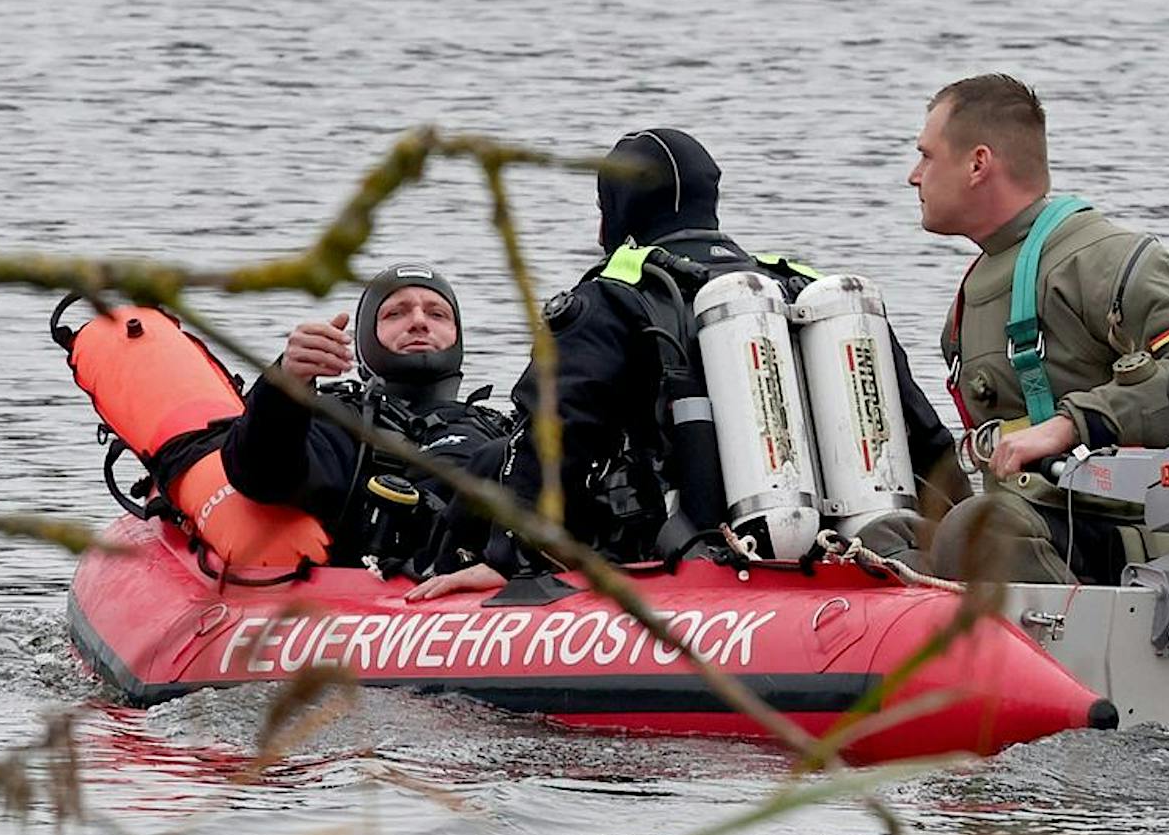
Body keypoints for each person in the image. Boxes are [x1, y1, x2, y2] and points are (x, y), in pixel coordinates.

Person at [410, 128, 965, 600]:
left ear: (617, 209)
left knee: (485, 463)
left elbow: (555, 429)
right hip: (841, 543)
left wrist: (510, 555)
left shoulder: (614, 295)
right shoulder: (802, 286)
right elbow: (916, 427)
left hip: (679, 555)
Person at [910, 74, 1169, 585]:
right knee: (888, 535)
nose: (914, 176)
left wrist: (1073, 424)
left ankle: (1073, 654)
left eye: (927, 156)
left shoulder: (1101, 262)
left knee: (979, 531)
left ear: (978, 164)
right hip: (1036, 529)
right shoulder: (970, 301)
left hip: (1128, 541)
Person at [220, 262, 511, 575]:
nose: (418, 322)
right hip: (373, 594)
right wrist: (286, 382)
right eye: (395, 313)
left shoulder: (497, 427)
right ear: (365, 338)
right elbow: (263, 475)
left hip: (494, 586)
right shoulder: (337, 420)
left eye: (437, 314)